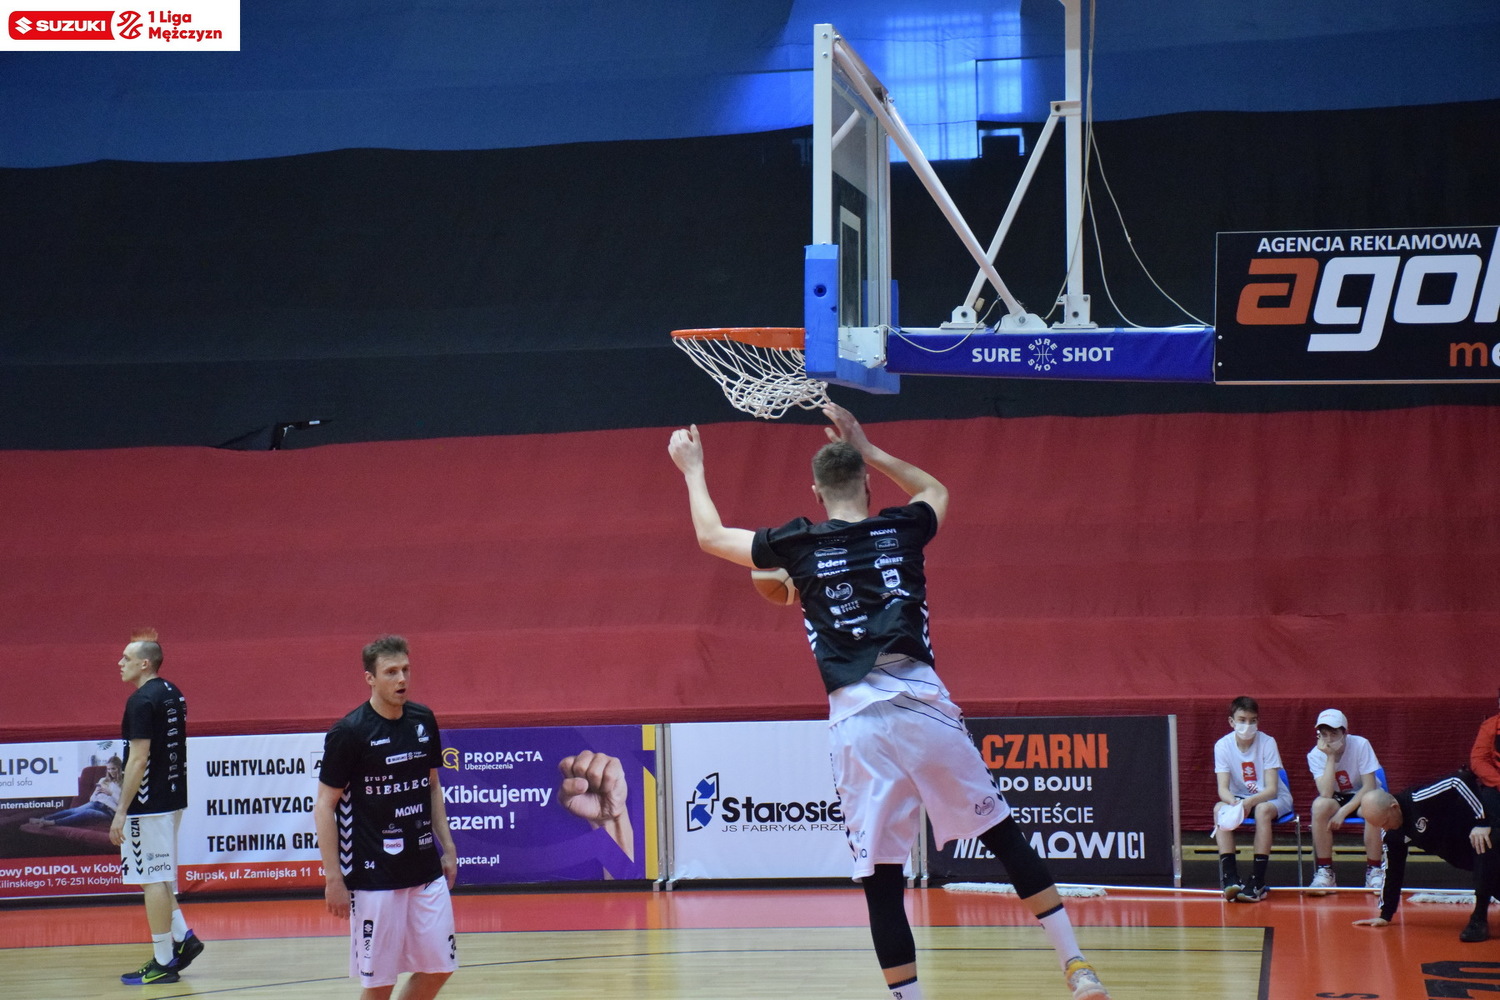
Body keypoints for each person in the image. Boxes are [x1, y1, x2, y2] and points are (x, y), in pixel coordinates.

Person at [667, 404, 1110, 1000]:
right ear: (868, 485)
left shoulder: (796, 545)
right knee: (1003, 838)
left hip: (858, 723)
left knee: (881, 880)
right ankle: (1077, 967)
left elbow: (711, 537)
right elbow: (935, 490)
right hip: (922, 705)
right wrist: (870, 447)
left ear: (816, 492)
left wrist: (693, 469)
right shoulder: (902, 528)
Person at [314, 635, 459, 1000]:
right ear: (370, 678)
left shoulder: (423, 720)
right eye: (391, 672)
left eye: (405, 670)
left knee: (440, 967)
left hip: (425, 870)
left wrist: (448, 846)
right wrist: (334, 878)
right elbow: (324, 806)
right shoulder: (350, 732)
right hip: (374, 877)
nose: (401, 679)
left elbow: (432, 785)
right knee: (380, 983)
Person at [111, 629, 205, 986]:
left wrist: (121, 809)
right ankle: (184, 937)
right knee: (159, 875)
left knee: (150, 878)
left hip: (148, 803)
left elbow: (138, 760)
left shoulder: (141, 701)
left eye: (126, 658)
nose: (120, 663)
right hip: (172, 797)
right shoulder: (172, 692)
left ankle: (164, 961)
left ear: (144, 663)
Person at [1353, 770, 1499, 942]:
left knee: (1484, 846)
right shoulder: (1392, 833)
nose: (1385, 828)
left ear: (1394, 807)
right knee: (1492, 881)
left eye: (1385, 822)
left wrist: (1481, 822)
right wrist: (1385, 914)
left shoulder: (1418, 799)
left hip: (1484, 828)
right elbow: (1392, 870)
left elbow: (1458, 780)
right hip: (1462, 852)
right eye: (1380, 826)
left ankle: (1478, 920)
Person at [1211, 695, 1293, 902]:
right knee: (1219, 809)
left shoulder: (1267, 742)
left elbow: (1272, 789)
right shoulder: (1222, 746)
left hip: (1273, 798)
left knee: (1263, 810)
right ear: (1232, 722)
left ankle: (1258, 881)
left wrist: (1249, 803)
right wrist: (1234, 802)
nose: (1247, 725)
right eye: (1242, 720)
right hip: (1240, 798)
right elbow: (1223, 789)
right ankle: (1230, 878)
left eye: (1252, 720)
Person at [1305, 708, 1386, 893]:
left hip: (1363, 795)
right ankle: (1325, 872)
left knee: (1373, 805)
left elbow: (1369, 786)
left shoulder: (1361, 744)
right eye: (1324, 734)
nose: (1328, 739)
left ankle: (1374, 871)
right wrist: (1330, 757)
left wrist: (1344, 811)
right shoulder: (1315, 755)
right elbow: (1326, 793)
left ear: (1344, 733)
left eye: (1334, 733)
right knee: (1319, 806)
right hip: (1336, 797)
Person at [31, 756, 123, 828]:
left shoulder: (124, 783)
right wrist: (96, 793)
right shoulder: (103, 780)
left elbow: (123, 804)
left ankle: (52, 822)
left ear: (119, 768)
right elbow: (91, 799)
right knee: (73, 810)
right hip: (96, 803)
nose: (111, 771)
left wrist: (110, 793)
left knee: (88, 812)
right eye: (109, 769)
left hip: (109, 812)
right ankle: (42, 819)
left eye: (113, 768)